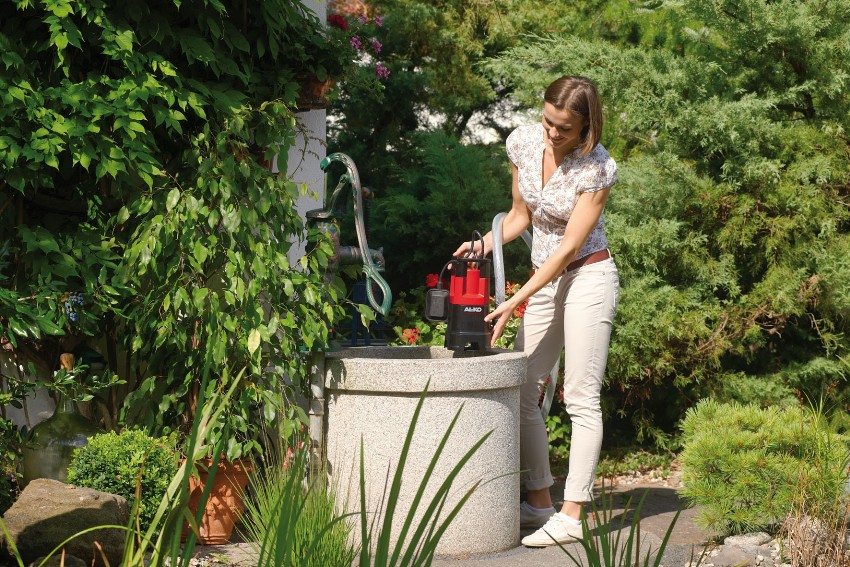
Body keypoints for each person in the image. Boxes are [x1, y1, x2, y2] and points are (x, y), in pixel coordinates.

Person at [453, 75, 620, 547]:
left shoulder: (597, 168)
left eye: (564, 129)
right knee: (526, 386)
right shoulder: (524, 142)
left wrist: (514, 298)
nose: (552, 133)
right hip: (544, 279)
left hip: (588, 275)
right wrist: (482, 244)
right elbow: (519, 215)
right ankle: (541, 500)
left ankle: (571, 514)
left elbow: (568, 248)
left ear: (586, 126)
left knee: (580, 396)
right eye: (548, 121)